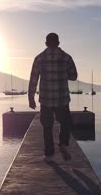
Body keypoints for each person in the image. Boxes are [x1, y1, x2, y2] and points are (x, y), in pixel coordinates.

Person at [28, 33, 78, 162]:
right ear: (58, 43)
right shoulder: (66, 58)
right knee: (66, 123)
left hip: (45, 99)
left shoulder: (39, 58)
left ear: (46, 44)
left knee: (47, 127)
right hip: (62, 99)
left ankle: (50, 154)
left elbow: (33, 79)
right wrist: (62, 73)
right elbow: (74, 76)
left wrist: (31, 98)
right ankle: (63, 144)